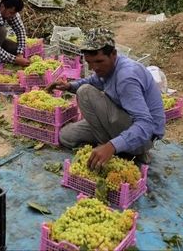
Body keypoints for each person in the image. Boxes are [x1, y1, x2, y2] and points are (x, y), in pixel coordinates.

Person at [47, 28, 165, 167]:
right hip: (118, 123)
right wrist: (69, 86)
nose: (94, 67)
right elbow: (92, 81)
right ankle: (115, 147)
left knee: (85, 92)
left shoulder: (126, 77)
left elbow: (146, 125)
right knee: (66, 136)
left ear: (113, 54)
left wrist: (111, 146)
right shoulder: (107, 68)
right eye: (89, 62)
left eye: (99, 61)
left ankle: (125, 150)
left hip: (143, 136)